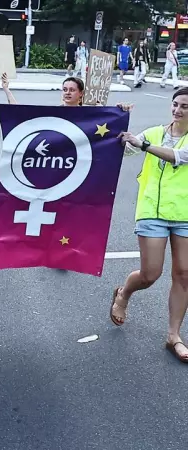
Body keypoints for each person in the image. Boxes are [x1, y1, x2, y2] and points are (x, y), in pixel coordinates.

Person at [113, 87, 188, 364]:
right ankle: (124, 293)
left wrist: (142, 145)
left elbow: (178, 157)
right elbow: (129, 149)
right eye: (176, 104)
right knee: (150, 274)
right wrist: (119, 120)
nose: (178, 110)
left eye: (184, 107)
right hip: (152, 212)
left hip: (185, 213)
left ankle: (174, 336)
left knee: (184, 274)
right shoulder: (155, 132)